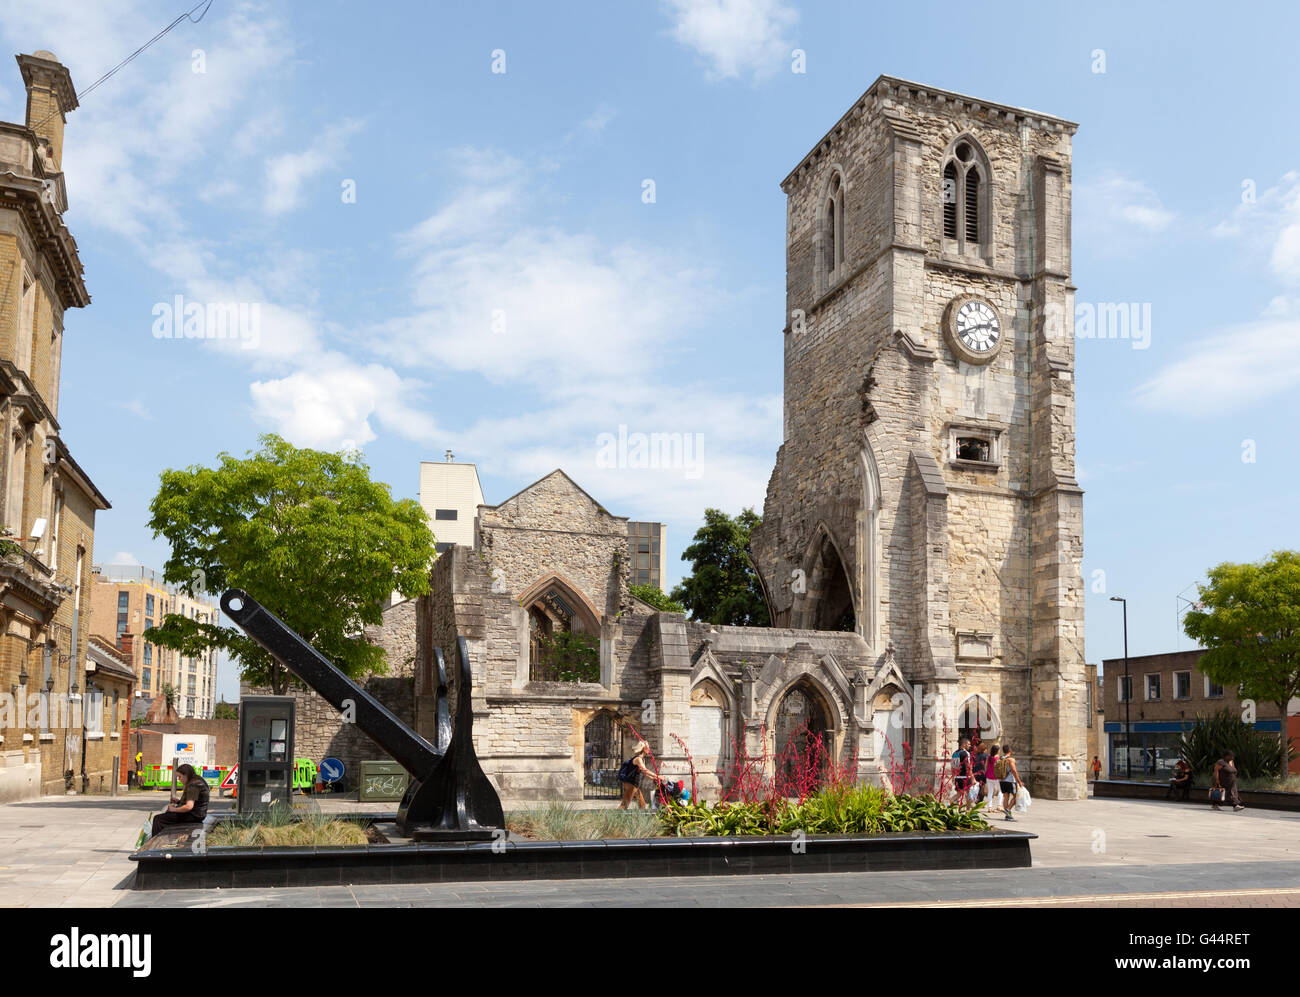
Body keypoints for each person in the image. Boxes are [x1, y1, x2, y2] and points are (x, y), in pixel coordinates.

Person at [150, 763, 209, 838]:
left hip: (194, 815)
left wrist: (174, 809)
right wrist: (178, 802)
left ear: (186, 775)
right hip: (198, 813)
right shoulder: (197, 780)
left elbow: (189, 806)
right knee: (167, 815)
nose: (179, 780)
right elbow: (195, 802)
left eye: (179, 777)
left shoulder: (193, 785)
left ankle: (156, 841)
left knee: (158, 819)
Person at [617, 741, 654, 809]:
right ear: (644, 749)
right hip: (631, 785)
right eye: (648, 747)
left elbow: (645, 773)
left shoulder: (641, 759)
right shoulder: (638, 759)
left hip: (634, 786)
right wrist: (657, 776)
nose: (649, 749)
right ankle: (613, 818)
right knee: (624, 805)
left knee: (642, 805)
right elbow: (645, 770)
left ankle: (639, 819)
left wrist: (654, 778)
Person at [998, 745, 1023, 821]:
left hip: (1002, 781)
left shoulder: (1000, 758)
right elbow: (1014, 771)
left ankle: (1007, 816)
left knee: (1006, 797)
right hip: (1010, 781)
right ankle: (1008, 810)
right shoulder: (1011, 759)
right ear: (1009, 751)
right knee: (1016, 797)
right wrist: (1019, 781)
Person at [951, 737, 973, 807]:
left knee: (959, 794)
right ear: (964, 744)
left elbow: (953, 766)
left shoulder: (955, 753)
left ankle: (950, 804)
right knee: (968, 795)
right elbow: (968, 766)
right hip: (965, 777)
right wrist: (972, 778)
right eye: (968, 744)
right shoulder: (966, 753)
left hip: (958, 777)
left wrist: (953, 777)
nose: (970, 746)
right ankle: (968, 812)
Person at [982, 745, 1002, 812]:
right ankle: (999, 806)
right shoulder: (998, 758)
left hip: (989, 776)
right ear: (997, 751)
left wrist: (986, 773)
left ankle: (989, 807)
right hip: (996, 777)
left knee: (990, 792)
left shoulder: (988, 757)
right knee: (1000, 791)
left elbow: (986, 766)